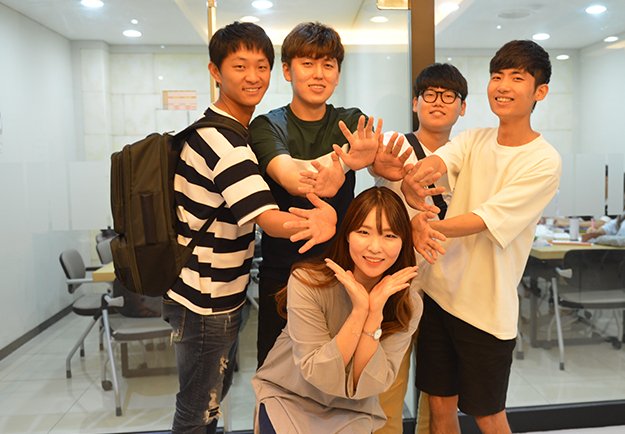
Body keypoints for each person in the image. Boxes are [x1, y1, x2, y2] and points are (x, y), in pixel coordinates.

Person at [162, 22, 337, 434]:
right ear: (215, 71)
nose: (253, 76)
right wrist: (321, 220)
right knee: (197, 410)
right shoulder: (223, 142)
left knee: (207, 403)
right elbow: (270, 220)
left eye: (261, 66)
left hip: (210, 292)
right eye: (239, 66)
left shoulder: (225, 131)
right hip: (206, 298)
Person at [401, 40, 562, 434]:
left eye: (516, 78)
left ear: (540, 91)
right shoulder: (473, 138)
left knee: (488, 415)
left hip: (485, 309)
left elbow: (485, 218)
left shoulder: (544, 160)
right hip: (438, 294)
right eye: (496, 76)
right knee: (439, 406)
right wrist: (412, 178)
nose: (502, 86)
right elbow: (438, 162)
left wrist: (425, 226)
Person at [249, 21, 380, 369]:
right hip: (283, 273)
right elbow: (289, 177)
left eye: (328, 65)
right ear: (287, 71)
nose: (318, 74)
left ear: (338, 74)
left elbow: (377, 159)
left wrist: (362, 164)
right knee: (276, 374)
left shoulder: (350, 121)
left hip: (341, 273)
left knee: (338, 373)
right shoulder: (267, 125)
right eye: (307, 63)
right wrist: (340, 167)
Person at [252, 187, 433, 433]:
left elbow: (368, 385)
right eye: (364, 232)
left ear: (404, 243)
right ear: (347, 234)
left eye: (389, 236)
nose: (375, 247)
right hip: (290, 398)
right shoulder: (307, 282)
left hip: (354, 409)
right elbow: (319, 374)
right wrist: (359, 311)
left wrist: (373, 314)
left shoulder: (407, 303)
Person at [371, 62, 467, 434]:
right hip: (399, 285)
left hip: (450, 288)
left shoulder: (469, 154)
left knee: (439, 395)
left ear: (462, 107)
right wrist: (374, 163)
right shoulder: (396, 145)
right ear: (415, 103)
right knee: (387, 386)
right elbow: (376, 166)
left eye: (449, 96)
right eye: (429, 94)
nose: (438, 102)